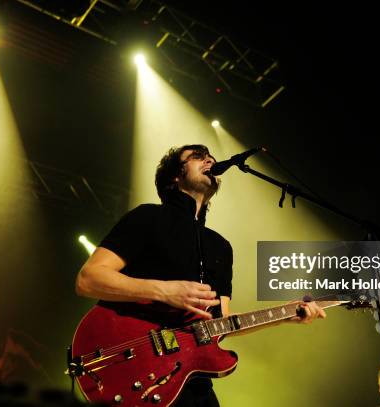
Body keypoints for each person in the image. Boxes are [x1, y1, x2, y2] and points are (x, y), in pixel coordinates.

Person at [75, 144, 326, 407]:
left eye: (211, 158)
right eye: (198, 157)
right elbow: (88, 279)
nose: (209, 161)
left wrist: (287, 314)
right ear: (175, 176)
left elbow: (221, 323)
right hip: (134, 362)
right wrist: (164, 291)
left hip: (191, 381)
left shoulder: (220, 246)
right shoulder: (148, 217)